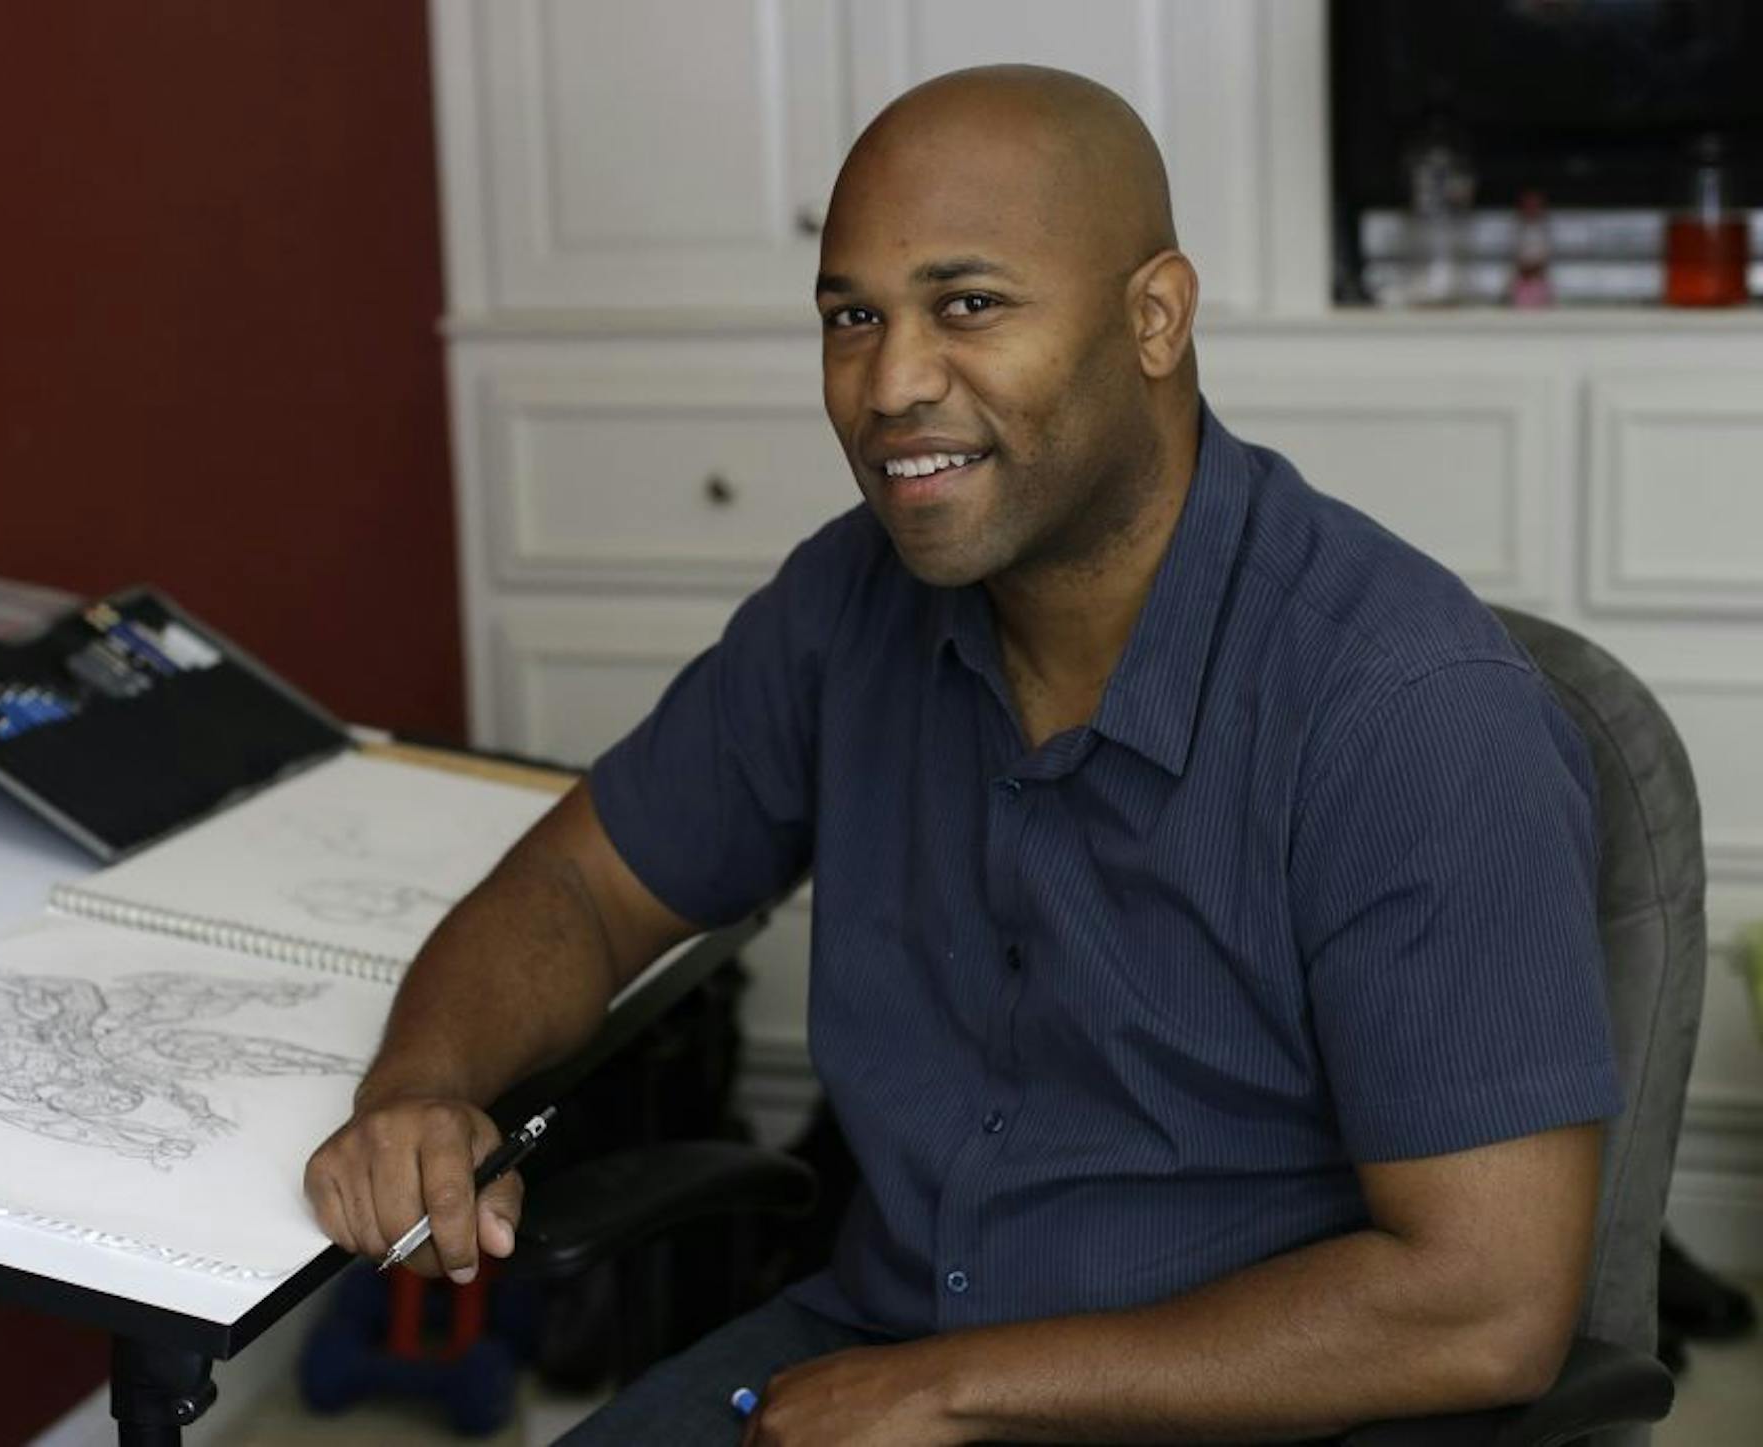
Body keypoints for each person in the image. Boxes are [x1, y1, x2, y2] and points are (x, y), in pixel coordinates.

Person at [305, 65, 1622, 1446]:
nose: (892, 385)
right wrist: (424, 1086)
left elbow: (1484, 1306)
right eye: (851, 317)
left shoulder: (1408, 707)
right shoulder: (846, 608)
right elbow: (581, 890)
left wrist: (956, 1391)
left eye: (969, 305)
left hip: (1254, 1402)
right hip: (882, 1345)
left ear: (1154, 318)